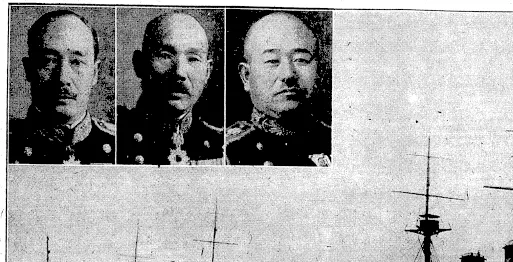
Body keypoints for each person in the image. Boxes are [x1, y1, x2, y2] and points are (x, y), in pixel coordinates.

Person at [10, 9, 114, 164]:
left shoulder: (120, 144)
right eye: (48, 61)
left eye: (76, 62)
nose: (63, 78)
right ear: (29, 70)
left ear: (94, 73)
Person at [226, 12, 330, 166]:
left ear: (318, 71)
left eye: (301, 60)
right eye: (272, 61)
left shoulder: (336, 141)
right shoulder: (228, 150)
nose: (288, 75)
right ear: (246, 76)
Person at [118, 11, 222, 165]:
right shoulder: (117, 138)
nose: (179, 72)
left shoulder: (221, 145)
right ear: (140, 65)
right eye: (165, 56)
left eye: (193, 59)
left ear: (207, 71)